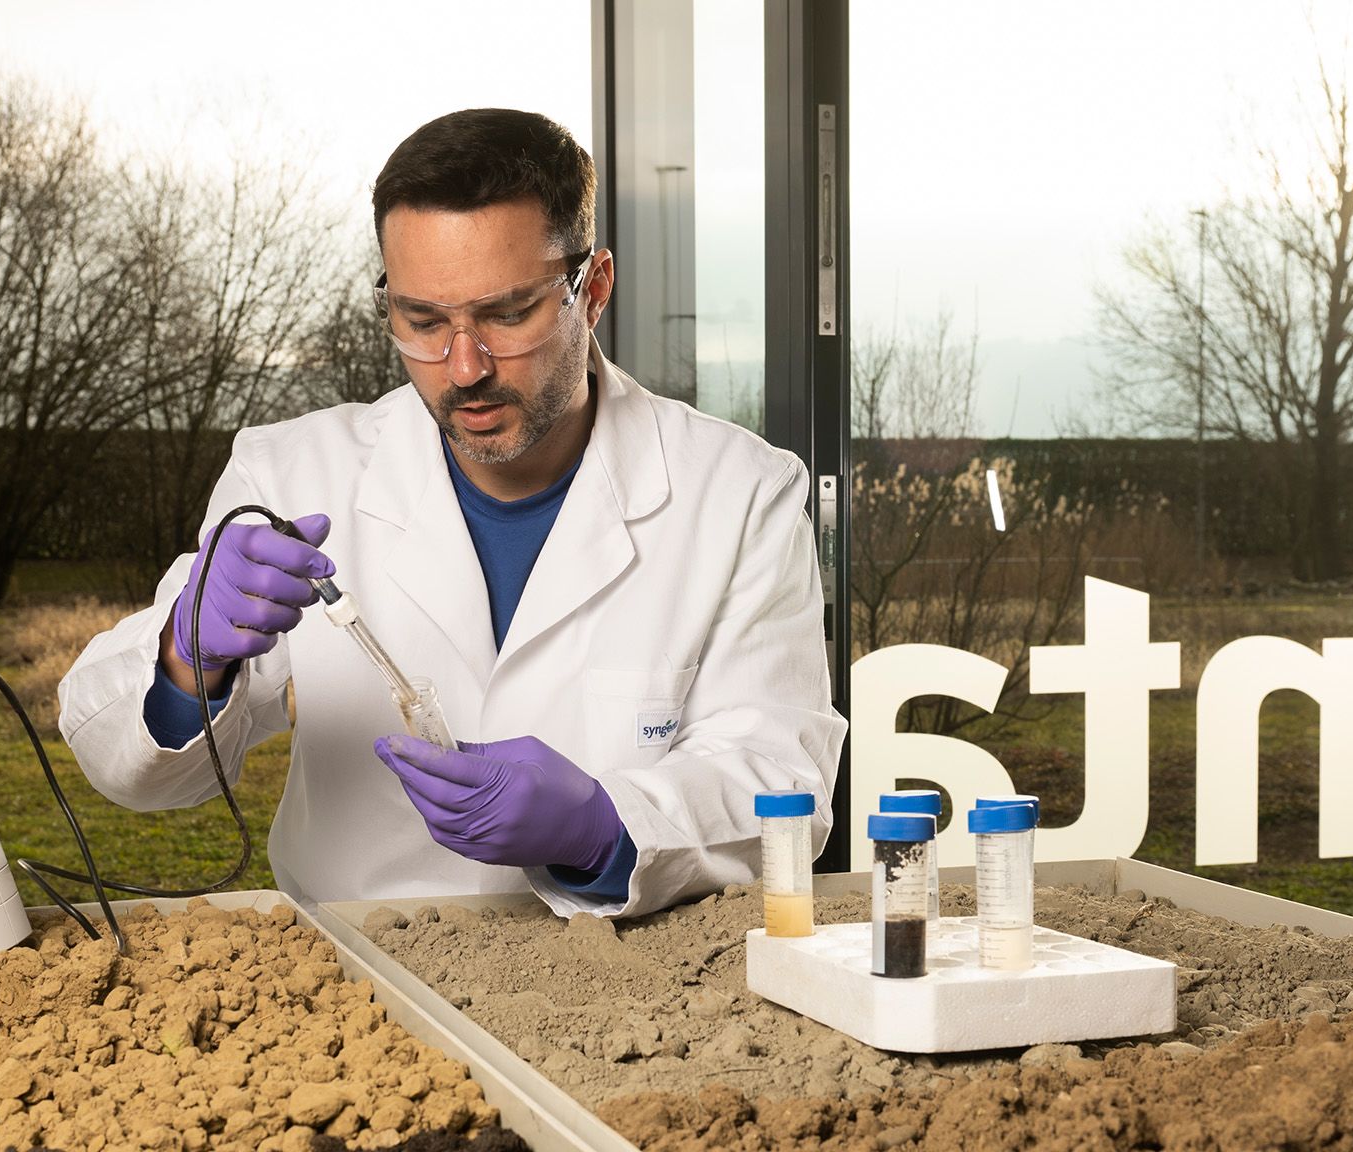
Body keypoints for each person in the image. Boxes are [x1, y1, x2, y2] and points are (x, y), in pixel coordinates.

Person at [58, 108, 842, 917]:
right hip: (356, 982)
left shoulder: (738, 491)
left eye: (507, 315)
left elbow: (780, 777)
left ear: (593, 289)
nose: (462, 367)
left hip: (622, 979)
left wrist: (603, 828)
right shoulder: (292, 475)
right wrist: (189, 660)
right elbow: (132, 774)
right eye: (422, 320)